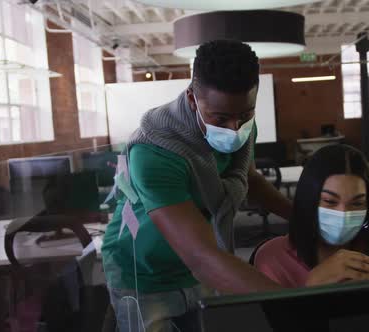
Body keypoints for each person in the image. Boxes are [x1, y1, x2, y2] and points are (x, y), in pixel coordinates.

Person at [101, 40, 292, 331]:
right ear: (192, 99)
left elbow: (247, 179)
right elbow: (201, 257)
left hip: (200, 264)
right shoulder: (154, 151)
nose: (234, 128)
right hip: (142, 271)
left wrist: (305, 219)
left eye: (245, 114)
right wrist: (297, 302)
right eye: (221, 118)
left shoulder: (242, 126)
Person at [255, 145, 369, 288]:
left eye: (357, 203)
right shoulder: (273, 258)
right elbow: (266, 317)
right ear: (308, 200)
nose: (343, 213)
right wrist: (309, 290)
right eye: (330, 201)